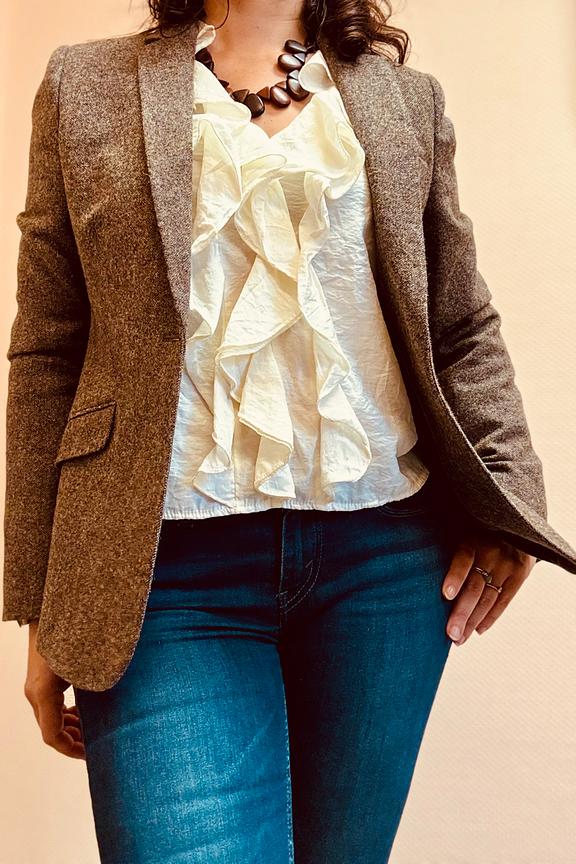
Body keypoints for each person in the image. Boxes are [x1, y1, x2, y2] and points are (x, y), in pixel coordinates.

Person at [4, 1, 576, 862]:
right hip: (159, 572)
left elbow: (459, 323)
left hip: (383, 564)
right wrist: (43, 601)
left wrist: (512, 500)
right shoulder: (85, 84)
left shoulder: (403, 99)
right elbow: (49, 346)